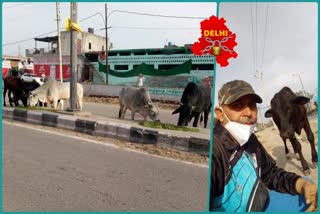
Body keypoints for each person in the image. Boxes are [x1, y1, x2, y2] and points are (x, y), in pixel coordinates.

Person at [210, 80, 318, 212]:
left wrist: (300, 183)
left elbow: (270, 174)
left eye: (252, 105)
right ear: (220, 114)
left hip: (262, 202)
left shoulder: (251, 141)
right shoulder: (214, 152)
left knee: (309, 187)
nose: (248, 112)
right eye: (238, 106)